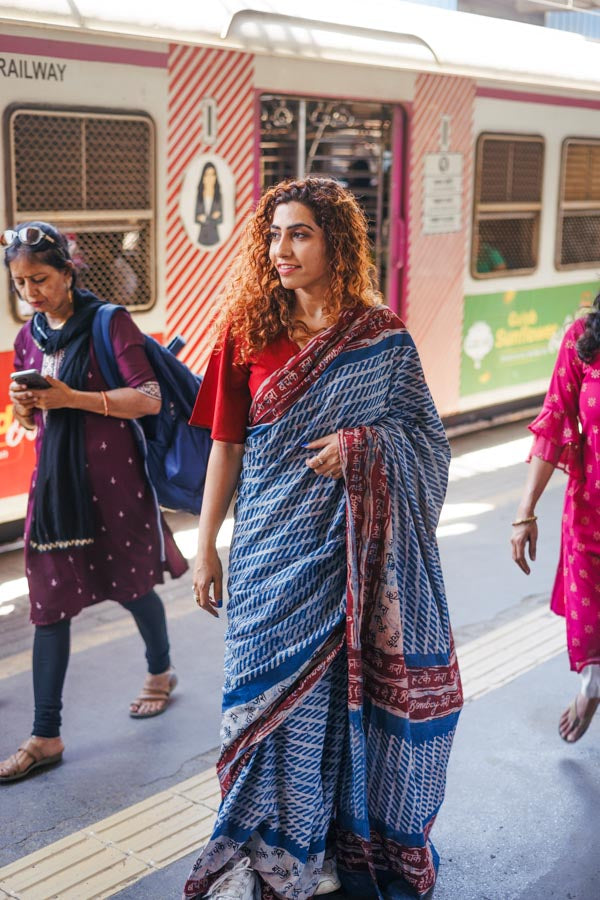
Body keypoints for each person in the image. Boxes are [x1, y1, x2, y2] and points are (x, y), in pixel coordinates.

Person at [184, 178, 462, 900]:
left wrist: (363, 445)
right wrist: (205, 543)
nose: (281, 249)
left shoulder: (382, 337)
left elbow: (426, 440)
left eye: (300, 233)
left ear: (336, 242)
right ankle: (264, 850)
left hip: (345, 554)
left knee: (332, 702)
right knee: (257, 703)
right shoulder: (247, 330)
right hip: (267, 551)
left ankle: (325, 844)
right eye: (273, 235)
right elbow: (226, 447)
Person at [0, 222, 187, 784]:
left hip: (115, 484)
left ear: (67, 272)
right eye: (20, 283)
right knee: (47, 608)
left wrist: (70, 397)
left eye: (41, 279)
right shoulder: (28, 339)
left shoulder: (109, 323)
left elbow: (148, 399)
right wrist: (26, 407)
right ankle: (45, 734)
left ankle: (160, 671)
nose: (32, 292)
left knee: (132, 585)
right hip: (57, 490)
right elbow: (33, 421)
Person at [512, 303, 600, 743]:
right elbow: (555, 421)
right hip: (590, 511)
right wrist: (525, 511)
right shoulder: (584, 338)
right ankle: (592, 686)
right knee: (590, 620)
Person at [195, 162, 223, 247]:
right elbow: (196, 218)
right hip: (202, 237)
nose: (210, 178)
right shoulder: (199, 196)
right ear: (203, 177)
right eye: (207, 175)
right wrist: (212, 217)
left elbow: (220, 219)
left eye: (212, 174)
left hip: (215, 237)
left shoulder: (219, 196)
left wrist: (205, 218)